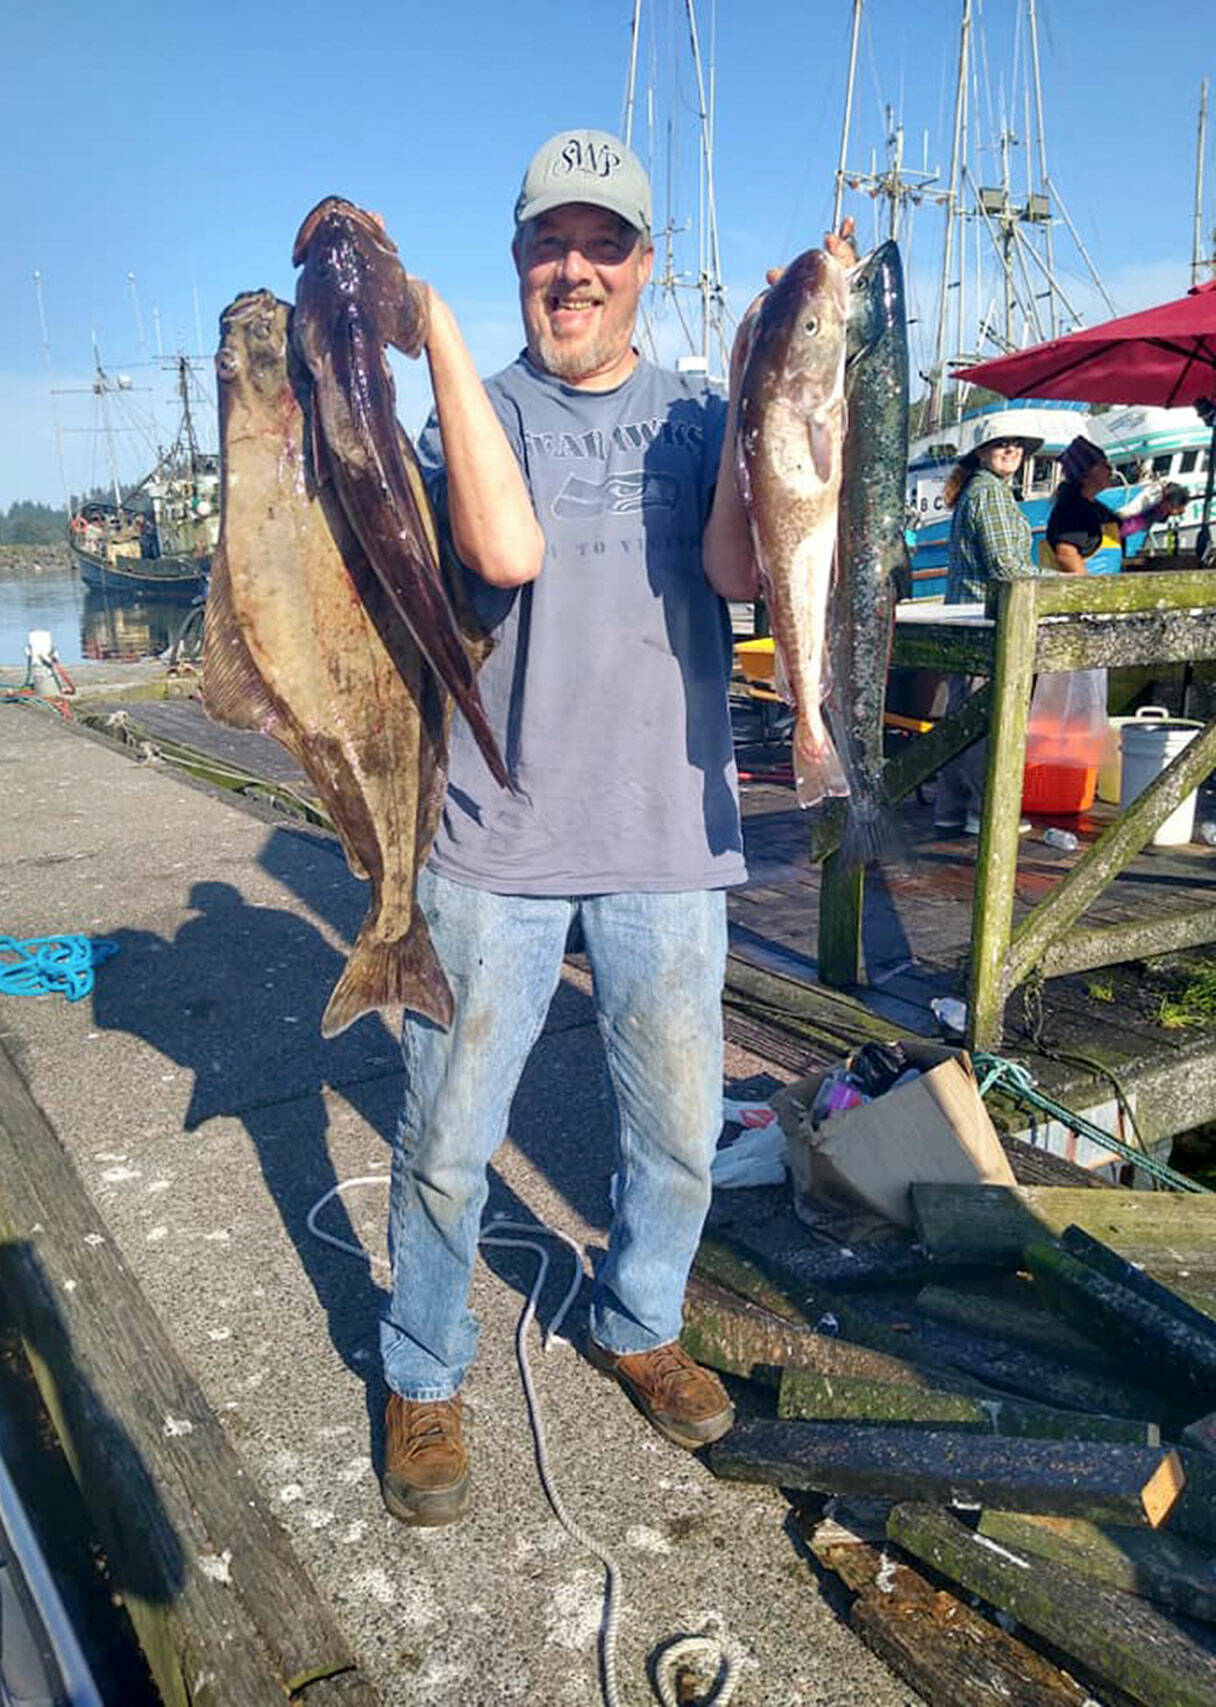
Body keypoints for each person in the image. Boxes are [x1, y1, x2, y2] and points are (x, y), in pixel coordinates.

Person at [378, 127, 843, 1528]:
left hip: (666, 833)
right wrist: (439, 334)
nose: (573, 271)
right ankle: (424, 1367)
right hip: (492, 840)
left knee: (679, 1130)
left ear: (646, 266)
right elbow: (502, 551)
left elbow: (733, 566)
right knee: (448, 1133)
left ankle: (639, 1318)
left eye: (603, 246)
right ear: (518, 258)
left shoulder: (700, 411)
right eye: (548, 244)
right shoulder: (473, 415)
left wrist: (766, 383)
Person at [933, 429, 1042, 835]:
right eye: (1001, 443)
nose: (1011, 449)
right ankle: (987, 812)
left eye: (1017, 444)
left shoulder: (975, 490)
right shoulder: (991, 493)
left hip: (964, 623)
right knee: (987, 722)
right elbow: (1006, 567)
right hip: (987, 624)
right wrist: (1058, 584)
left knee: (961, 717)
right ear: (981, 452)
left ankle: (951, 808)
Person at [1044, 434, 1189, 576]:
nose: (1110, 469)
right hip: (1085, 590)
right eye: (1103, 464)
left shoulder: (1095, 508)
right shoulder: (1073, 509)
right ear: (1086, 473)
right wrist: (1087, 587)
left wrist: (1158, 512)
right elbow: (1066, 553)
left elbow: (1123, 528)